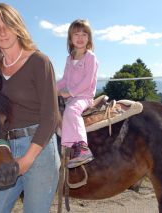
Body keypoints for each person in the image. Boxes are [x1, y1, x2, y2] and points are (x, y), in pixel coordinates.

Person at [0, 3, 60, 213]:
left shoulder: (39, 61)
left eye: (6, 24)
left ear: (17, 26)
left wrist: (27, 159)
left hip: (39, 150)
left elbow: (51, 117)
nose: (2, 31)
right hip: (6, 150)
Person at [57, 19, 98, 169]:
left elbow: (88, 81)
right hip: (71, 96)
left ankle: (82, 148)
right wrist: (50, 89)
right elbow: (65, 80)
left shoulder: (90, 57)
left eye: (84, 34)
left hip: (84, 96)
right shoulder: (70, 58)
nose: (80, 38)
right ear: (70, 38)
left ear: (89, 38)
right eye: (76, 34)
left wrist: (70, 92)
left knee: (72, 110)